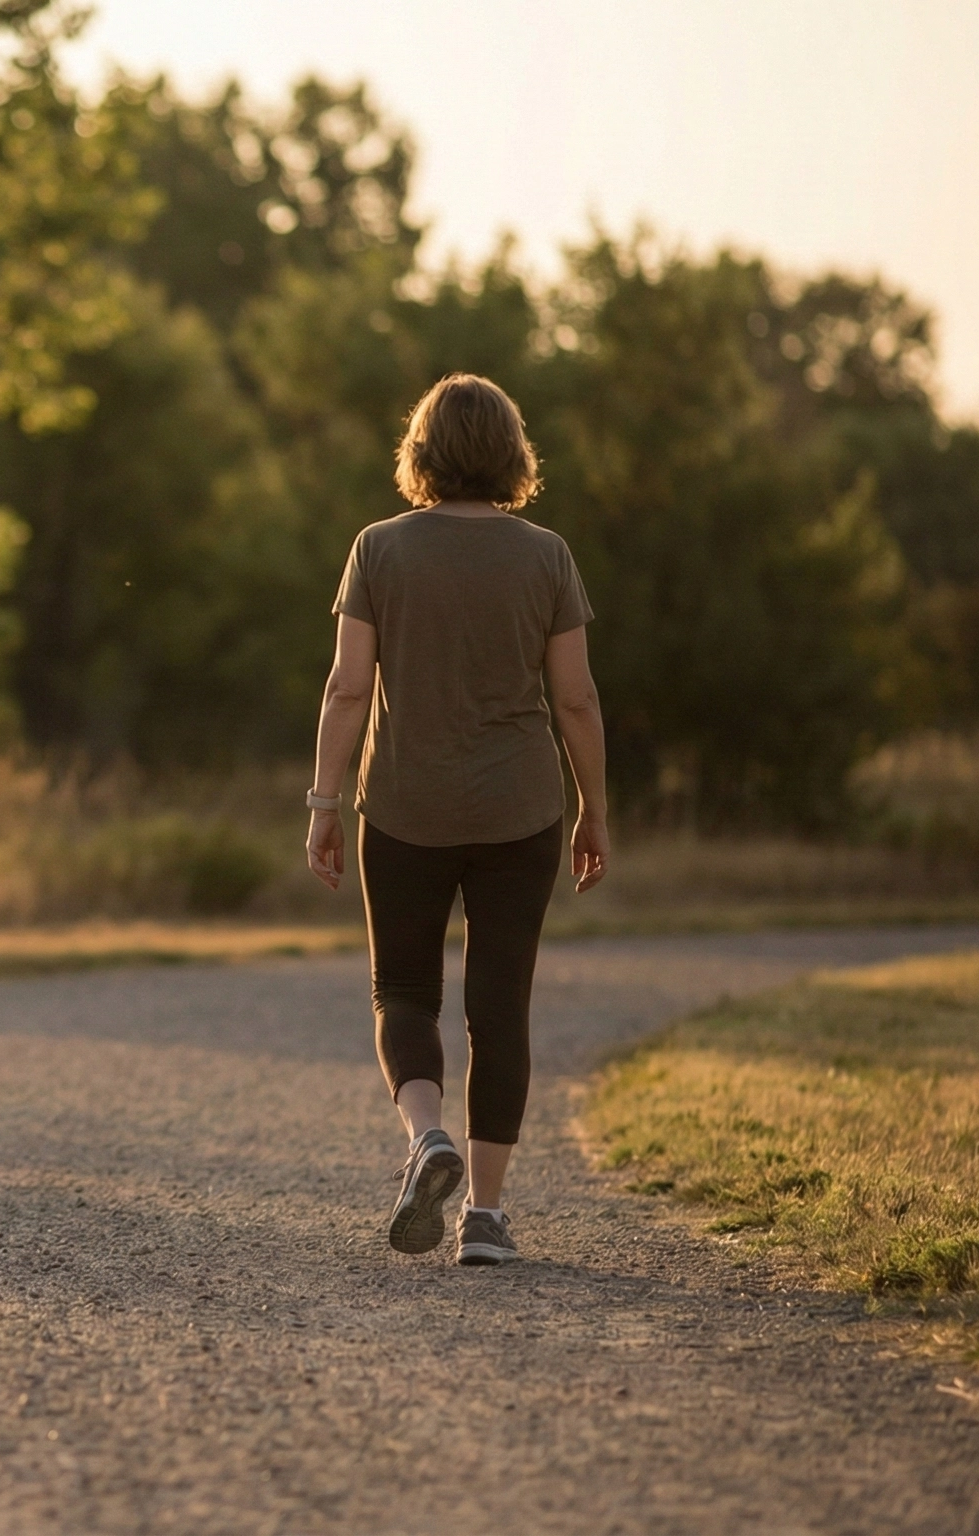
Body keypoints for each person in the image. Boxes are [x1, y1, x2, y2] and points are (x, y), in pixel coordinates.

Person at [300, 372, 609, 1267]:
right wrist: (593, 808)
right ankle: (485, 1216)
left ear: (422, 452)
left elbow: (349, 687)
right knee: (499, 1004)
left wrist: (324, 801)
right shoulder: (546, 554)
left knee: (403, 990)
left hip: (401, 805)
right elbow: (578, 700)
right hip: (521, 809)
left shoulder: (378, 549)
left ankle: (425, 1137)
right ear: (513, 454)